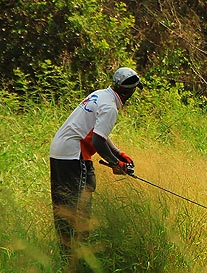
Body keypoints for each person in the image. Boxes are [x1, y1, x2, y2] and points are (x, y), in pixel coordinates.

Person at [49, 66, 143, 254]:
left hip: (59, 152)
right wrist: (116, 164)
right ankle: (75, 258)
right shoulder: (110, 108)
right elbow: (97, 141)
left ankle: (64, 255)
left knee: (63, 207)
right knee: (79, 210)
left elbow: (97, 133)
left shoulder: (100, 95)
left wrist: (118, 154)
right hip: (74, 155)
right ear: (127, 92)